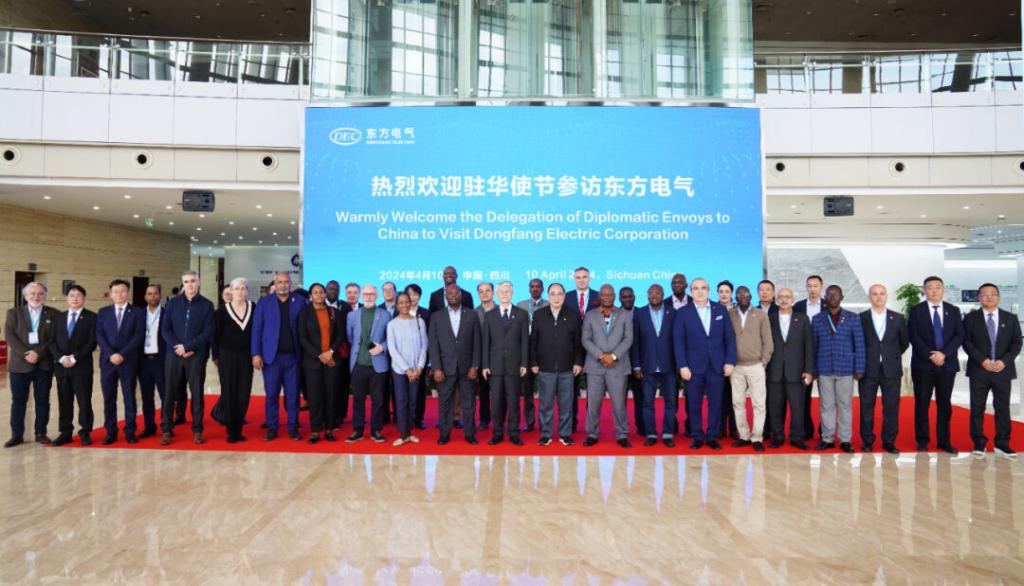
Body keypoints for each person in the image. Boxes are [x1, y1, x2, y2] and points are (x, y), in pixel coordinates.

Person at [673, 278, 735, 450]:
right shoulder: (683, 313)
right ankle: (698, 436)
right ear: (691, 291)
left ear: (708, 290)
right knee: (694, 404)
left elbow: (729, 337)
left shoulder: (720, 310)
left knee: (716, 403)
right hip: (692, 367)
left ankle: (712, 436)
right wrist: (682, 365)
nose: (700, 291)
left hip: (717, 366)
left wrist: (730, 361)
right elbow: (678, 341)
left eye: (703, 288)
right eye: (696, 288)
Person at [962, 283, 1022, 460]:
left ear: (999, 297)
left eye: (993, 294)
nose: (989, 297)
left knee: (1002, 407)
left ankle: (1002, 443)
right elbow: (966, 342)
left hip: (1002, 370)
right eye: (984, 294)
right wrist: (983, 361)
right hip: (979, 370)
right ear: (979, 297)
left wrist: (1004, 361)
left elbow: (1017, 343)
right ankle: (978, 443)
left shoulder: (1010, 318)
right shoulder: (970, 319)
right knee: (977, 407)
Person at [907, 276, 964, 454]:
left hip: (947, 364)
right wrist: (930, 355)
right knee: (922, 403)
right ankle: (922, 440)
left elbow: (959, 335)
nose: (934, 290)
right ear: (924, 290)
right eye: (930, 287)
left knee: (944, 404)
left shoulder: (953, 310)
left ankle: (944, 441)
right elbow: (913, 335)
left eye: (937, 287)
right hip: (923, 364)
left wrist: (944, 354)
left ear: (943, 289)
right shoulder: (916, 310)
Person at [160, 270, 215, 445]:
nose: (190, 284)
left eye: (193, 281)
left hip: (196, 355)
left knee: (197, 392)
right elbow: (165, 329)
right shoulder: (172, 304)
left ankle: (197, 430)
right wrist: (178, 347)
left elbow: (208, 331)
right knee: (170, 392)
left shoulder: (207, 305)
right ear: (182, 283)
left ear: (198, 282)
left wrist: (188, 347)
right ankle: (167, 429)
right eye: (186, 281)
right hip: (174, 354)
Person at [252, 271, 308, 441]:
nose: (283, 285)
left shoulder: (300, 301)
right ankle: (272, 428)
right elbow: (256, 329)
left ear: (290, 284)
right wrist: (256, 353)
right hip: (271, 358)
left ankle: (293, 427)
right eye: (280, 282)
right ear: (275, 284)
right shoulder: (264, 302)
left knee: (293, 396)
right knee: (271, 395)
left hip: (293, 358)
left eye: (286, 282)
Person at [810, 285, 865, 454]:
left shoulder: (853, 318)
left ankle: (845, 440)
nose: (832, 297)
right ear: (825, 298)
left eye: (836, 294)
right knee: (826, 405)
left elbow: (859, 344)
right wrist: (813, 369)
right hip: (824, 368)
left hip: (846, 368)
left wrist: (859, 368)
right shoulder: (817, 319)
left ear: (842, 297)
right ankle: (827, 438)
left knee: (845, 405)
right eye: (829, 294)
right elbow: (813, 346)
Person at [4, 282, 60, 447]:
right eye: (32, 293)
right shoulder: (14, 313)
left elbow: (54, 338)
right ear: (25, 296)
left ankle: (41, 432)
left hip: (44, 364)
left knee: (42, 400)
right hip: (19, 365)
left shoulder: (54, 314)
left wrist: (38, 353)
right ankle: (17, 435)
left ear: (45, 295)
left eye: (40, 293)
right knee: (18, 400)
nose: (36, 297)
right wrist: (26, 353)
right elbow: (10, 336)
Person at [530, 283, 584, 446]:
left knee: (566, 404)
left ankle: (565, 434)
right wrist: (534, 362)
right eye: (552, 294)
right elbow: (533, 341)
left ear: (564, 296)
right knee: (545, 404)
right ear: (548, 296)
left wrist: (578, 362)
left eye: (559, 294)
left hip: (567, 368)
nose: (556, 297)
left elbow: (578, 342)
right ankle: (545, 434)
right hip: (545, 367)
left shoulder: (573, 315)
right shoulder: (539, 315)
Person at [858, 284, 909, 454]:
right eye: (875, 294)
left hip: (891, 369)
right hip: (868, 369)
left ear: (886, 296)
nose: (878, 297)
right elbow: (857, 343)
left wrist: (890, 355)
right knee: (866, 407)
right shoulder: (861, 318)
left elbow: (904, 342)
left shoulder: (898, 318)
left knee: (891, 407)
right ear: (869, 297)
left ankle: (889, 441)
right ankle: (867, 441)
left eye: (882, 294)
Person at [581, 284, 634, 448]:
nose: (607, 297)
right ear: (599, 296)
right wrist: (601, 356)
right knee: (593, 403)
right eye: (604, 294)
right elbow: (585, 339)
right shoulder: (590, 315)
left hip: (618, 365)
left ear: (614, 296)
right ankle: (592, 433)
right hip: (595, 365)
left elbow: (628, 339)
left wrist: (613, 356)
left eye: (610, 294)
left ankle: (622, 434)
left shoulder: (625, 315)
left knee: (619, 403)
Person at [428, 284, 481, 444]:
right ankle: (444, 433)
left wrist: (475, 366)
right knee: (445, 402)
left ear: (461, 295)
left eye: (456, 293)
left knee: (469, 402)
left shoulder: (471, 314)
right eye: (449, 293)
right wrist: (436, 368)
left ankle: (470, 434)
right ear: (446, 296)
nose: (453, 296)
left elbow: (477, 342)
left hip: (467, 368)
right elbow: (433, 344)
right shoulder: (437, 316)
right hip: (445, 368)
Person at [96, 279, 145, 444]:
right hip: (108, 361)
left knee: (129, 397)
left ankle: (130, 431)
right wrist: (111, 354)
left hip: (128, 361)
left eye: (122, 291)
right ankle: (111, 432)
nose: (119, 294)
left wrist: (122, 354)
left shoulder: (137, 312)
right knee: (109, 398)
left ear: (128, 293)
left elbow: (138, 336)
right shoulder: (103, 312)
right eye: (115, 291)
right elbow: (99, 336)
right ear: (110, 294)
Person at [48, 285, 97, 446]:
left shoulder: (92, 317)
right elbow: (51, 342)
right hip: (62, 367)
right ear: (67, 298)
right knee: (64, 400)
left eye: (78, 295)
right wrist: (61, 358)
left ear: (84, 298)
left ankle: (85, 431)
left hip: (82, 366)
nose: (75, 298)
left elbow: (91, 343)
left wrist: (75, 358)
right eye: (71, 295)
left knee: (84, 400)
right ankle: (65, 432)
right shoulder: (58, 318)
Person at [482, 281, 530, 446]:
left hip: (514, 365)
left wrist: (524, 363)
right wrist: (485, 365)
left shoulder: (522, 314)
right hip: (495, 366)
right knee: (496, 402)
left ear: (512, 293)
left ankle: (514, 433)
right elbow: (486, 342)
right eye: (501, 291)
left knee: (514, 401)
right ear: (496, 294)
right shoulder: (489, 315)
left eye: (508, 291)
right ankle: (497, 433)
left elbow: (525, 341)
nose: (504, 293)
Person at [630, 284, 677, 447]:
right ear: (647, 295)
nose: (654, 296)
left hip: (669, 365)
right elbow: (635, 341)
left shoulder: (673, 312)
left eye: (657, 293)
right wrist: (636, 366)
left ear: (663, 295)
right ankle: (651, 433)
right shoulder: (640, 313)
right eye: (651, 293)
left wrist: (679, 364)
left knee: (671, 403)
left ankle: (668, 434)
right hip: (647, 365)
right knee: (647, 403)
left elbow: (677, 340)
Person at [766, 288, 814, 450]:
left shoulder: (803, 318)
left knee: (798, 407)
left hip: (797, 371)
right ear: (776, 300)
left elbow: (809, 345)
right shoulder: (770, 319)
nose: (784, 300)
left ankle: (797, 437)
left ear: (793, 299)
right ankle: (777, 436)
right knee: (775, 407)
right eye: (781, 297)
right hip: (774, 371)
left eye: (787, 297)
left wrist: (809, 370)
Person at [727, 285, 774, 452]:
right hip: (736, 367)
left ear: (751, 296)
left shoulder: (760, 315)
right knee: (737, 402)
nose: (743, 296)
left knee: (759, 403)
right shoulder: (730, 314)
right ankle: (744, 435)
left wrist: (763, 362)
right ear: (736, 297)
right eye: (740, 294)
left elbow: (768, 341)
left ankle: (757, 437)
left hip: (755, 365)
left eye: (746, 294)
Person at [297, 283, 345, 444]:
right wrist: (319, 355)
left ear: (325, 294)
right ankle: (315, 431)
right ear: (311, 295)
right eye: (315, 292)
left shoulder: (334, 312)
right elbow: (303, 338)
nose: (319, 295)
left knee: (331, 395)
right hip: (313, 362)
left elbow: (340, 335)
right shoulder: (304, 314)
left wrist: (330, 352)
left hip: (331, 360)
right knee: (315, 396)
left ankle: (329, 429)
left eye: (321, 292)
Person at [345, 284, 392, 443]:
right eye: (366, 294)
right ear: (361, 296)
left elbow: (390, 338)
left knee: (378, 400)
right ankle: (357, 430)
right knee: (358, 400)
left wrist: (382, 347)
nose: (368, 297)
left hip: (378, 365)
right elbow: (350, 337)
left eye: (371, 294)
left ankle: (376, 430)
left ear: (376, 296)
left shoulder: (385, 315)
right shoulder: (352, 316)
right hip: (358, 364)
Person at [213, 277, 255, 443]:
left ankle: (239, 428)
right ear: (230, 291)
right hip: (227, 356)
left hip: (246, 356)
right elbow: (215, 336)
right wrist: (215, 356)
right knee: (229, 392)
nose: (240, 291)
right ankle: (231, 430)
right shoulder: (222, 311)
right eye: (237, 288)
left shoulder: (253, 307)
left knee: (244, 392)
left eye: (243, 288)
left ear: (247, 291)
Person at [386, 292, 428, 446]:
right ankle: (403, 434)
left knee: (412, 401)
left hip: (416, 369)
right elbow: (392, 349)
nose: (404, 305)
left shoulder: (419, 322)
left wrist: (420, 366)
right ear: (397, 305)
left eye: (406, 302)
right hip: (399, 370)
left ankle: (409, 432)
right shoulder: (392, 325)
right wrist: (406, 369)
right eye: (401, 303)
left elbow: (424, 346)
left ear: (411, 303)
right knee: (401, 400)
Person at [793, 275, 826, 440]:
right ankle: (806, 430)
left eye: (815, 286)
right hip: (803, 358)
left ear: (822, 287)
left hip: (824, 356)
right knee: (803, 397)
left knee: (826, 398)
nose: (812, 289)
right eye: (809, 286)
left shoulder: (829, 305)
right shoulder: (798, 306)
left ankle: (824, 431)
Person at [516, 278, 547, 432]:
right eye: (532, 286)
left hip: (544, 352)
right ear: (529, 289)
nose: (535, 289)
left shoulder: (549, 305)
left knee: (545, 391)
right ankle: (529, 421)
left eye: (538, 287)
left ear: (542, 289)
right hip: (526, 352)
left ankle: (544, 422)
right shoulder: (520, 305)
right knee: (527, 391)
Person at [137, 284, 167, 437]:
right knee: (147, 396)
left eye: (155, 293)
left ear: (160, 296)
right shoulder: (139, 315)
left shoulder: (167, 313)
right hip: (143, 361)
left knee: (165, 395)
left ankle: (166, 427)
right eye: (149, 294)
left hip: (161, 360)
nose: (152, 296)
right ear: (145, 297)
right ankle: (149, 427)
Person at [618, 286, 645, 436]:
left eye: (630, 296)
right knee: (619, 399)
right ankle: (622, 428)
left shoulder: (643, 313)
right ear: (619, 299)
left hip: (639, 364)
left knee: (640, 397)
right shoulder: (614, 314)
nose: (627, 299)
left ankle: (642, 427)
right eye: (624, 297)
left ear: (634, 297)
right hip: (619, 363)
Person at [406, 284, 430, 430]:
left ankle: (418, 418)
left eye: (415, 294)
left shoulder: (426, 314)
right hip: (403, 359)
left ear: (419, 296)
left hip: (421, 357)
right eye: (410, 294)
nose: (412, 297)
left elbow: (429, 336)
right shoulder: (398, 313)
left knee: (420, 390)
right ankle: (403, 417)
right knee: (402, 390)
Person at [474, 282, 497, 430]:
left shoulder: (502, 309)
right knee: (483, 391)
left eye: (487, 290)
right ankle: (484, 419)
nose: (484, 294)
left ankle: (499, 420)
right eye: (481, 291)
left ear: (493, 292)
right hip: (482, 357)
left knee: (500, 392)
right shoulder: (474, 312)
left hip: (499, 357)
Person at [716, 279, 737, 437]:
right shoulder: (712, 308)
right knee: (719, 395)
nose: (724, 294)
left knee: (735, 396)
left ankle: (735, 428)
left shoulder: (738, 310)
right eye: (721, 291)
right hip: (717, 359)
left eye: (727, 291)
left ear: (731, 293)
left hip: (736, 358)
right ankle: (720, 427)